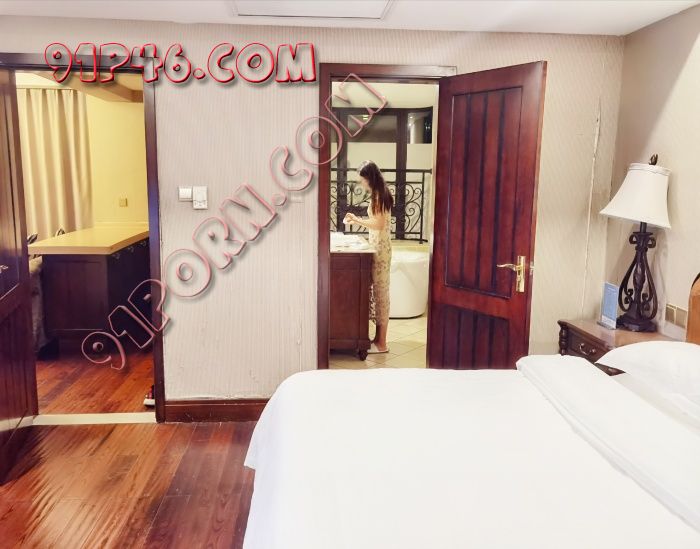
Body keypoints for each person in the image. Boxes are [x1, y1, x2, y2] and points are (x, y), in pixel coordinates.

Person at [343, 160, 393, 353]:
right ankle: (378, 339)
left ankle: (382, 343)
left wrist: (357, 220)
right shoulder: (380, 193)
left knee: (381, 294)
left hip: (381, 250)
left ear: (369, 178)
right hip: (380, 247)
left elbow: (378, 224)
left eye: (362, 179)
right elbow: (378, 222)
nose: (361, 183)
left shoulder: (379, 195)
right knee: (380, 293)